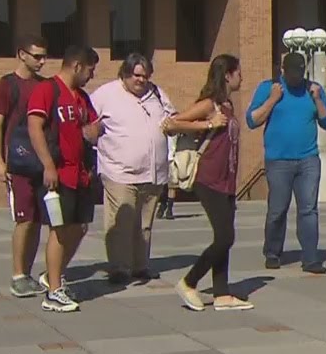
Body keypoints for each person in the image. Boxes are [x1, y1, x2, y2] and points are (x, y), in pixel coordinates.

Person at [164, 54, 253, 311]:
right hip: (209, 179)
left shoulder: (228, 105)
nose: (242, 77)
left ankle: (222, 294)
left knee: (224, 236)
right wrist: (208, 123)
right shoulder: (210, 104)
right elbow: (172, 124)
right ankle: (189, 281)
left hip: (227, 180)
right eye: (239, 72)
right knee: (225, 237)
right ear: (228, 75)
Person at [26, 45, 103, 313]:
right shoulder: (48, 90)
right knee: (58, 230)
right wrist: (48, 165)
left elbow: (94, 125)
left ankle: (54, 274)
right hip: (60, 172)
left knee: (79, 227)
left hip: (81, 174)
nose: (92, 76)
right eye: (90, 70)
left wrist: (95, 130)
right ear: (77, 66)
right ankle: (53, 291)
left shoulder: (81, 98)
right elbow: (35, 127)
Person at [245, 51, 326, 274]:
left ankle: (311, 257)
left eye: (300, 72)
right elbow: (252, 120)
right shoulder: (269, 88)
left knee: (308, 209)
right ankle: (273, 252)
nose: (297, 77)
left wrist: (316, 99)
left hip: (308, 159)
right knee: (277, 209)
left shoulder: (313, 89)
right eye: (292, 72)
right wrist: (273, 100)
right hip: (278, 161)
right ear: (283, 70)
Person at [89, 53, 176, 284]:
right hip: (119, 172)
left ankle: (140, 265)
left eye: (145, 76)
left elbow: (173, 118)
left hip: (153, 173)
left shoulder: (156, 93)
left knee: (144, 224)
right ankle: (119, 267)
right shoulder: (105, 95)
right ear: (125, 74)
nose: (141, 80)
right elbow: (86, 124)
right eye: (137, 76)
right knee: (121, 223)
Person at [0, 34, 50, 298]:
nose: (42, 61)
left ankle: (27, 272)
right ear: (21, 54)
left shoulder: (45, 86)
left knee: (37, 220)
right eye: (37, 56)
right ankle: (17, 274)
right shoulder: (5, 86)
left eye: (45, 56)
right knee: (24, 219)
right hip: (18, 162)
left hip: (41, 162)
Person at [156, 135, 178, 220]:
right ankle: (163, 204)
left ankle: (169, 209)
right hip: (161, 158)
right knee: (162, 185)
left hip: (171, 158)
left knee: (172, 185)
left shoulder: (175, 130)